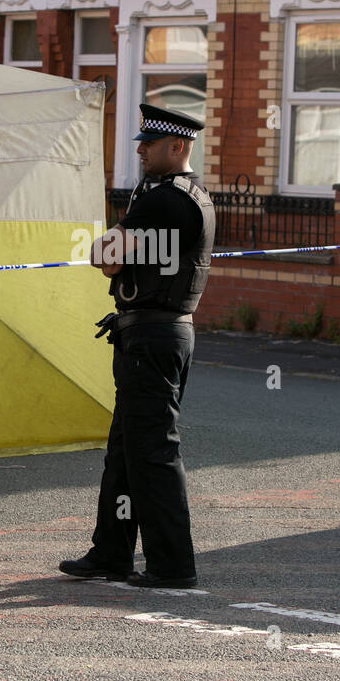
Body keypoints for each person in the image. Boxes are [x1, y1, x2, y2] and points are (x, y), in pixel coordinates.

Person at [60, 104, 215, 588]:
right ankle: (111, 553)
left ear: (179, 146)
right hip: (156, 331)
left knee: (152, 453)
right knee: (126, 450)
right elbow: (116, 258)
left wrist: (116, 251)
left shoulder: (164, 201)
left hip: (152, 334)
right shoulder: (189, 197)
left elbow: (102, 255)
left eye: (150, 143)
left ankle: (172, 566)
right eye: (141, 142)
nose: (141, 150)